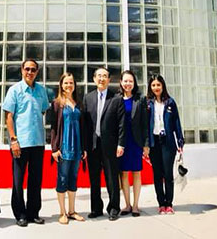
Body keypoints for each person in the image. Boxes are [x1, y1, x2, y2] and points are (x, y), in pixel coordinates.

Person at [2, 58, 50, 227]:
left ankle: (33, 213)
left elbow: (43, 110)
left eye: (33, 69)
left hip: (37, 142)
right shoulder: (14, 90)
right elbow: (8, 116)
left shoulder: (41, 90)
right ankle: (20, 214)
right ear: (22, 70)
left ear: (37, 72)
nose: (30, 72)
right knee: (18, 180)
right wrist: (13, 140)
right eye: (27, 69)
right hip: (20, 143)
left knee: (36, 180)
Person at [82, 66, 125, 221]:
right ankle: (96, 209)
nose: (101, 79)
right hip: (93, 145)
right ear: (94, 79)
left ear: (109, 79)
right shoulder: (88, 98)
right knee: (94, 179)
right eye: (99, 76)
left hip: (110, 145)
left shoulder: (116, 98)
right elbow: (85, 125)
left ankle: (114, 208)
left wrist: (121, 144)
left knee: (112, 178)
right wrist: (84, 147)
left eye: (104, 76)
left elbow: (122, 124)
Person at [48, 72, 87, 225]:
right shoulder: (56, 104)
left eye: (71, 83)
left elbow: (83, 127)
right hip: (63, 148)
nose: (69, 85)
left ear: (74, 85)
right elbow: (53, 128)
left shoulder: (79, 103)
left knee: (73, 178)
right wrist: (54, 148)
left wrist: (84, 148)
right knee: (62, 178)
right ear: (61, 85)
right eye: (66, 83)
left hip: (77, 147)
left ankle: (72, 210)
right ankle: (62, 212)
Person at [146, 74, 184, 215]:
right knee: (157, 174)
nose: (156, 87)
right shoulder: (147, 103)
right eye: (153, 85)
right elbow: (145, 124)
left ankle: (169, 203)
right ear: (150, 87)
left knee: (168, 173)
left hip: (168, 142)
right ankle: (161, 203)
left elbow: (176, 122)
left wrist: (180, 140)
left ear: (163, 86)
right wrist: (145, 144)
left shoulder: (170, 102)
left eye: (158, 85)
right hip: (154, 142)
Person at [118, 70, 149, 217]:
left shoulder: (140, 99)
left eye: (130, 81)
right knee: (123, 173)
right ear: (121, 82)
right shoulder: (117, 99)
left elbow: (145, 123)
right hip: (122, 142)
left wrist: (146, 144)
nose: (128, 84)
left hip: (136, 141)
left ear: (134, 83)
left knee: (136, 172)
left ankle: (136, 205)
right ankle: (127, 204)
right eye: (125, 81)